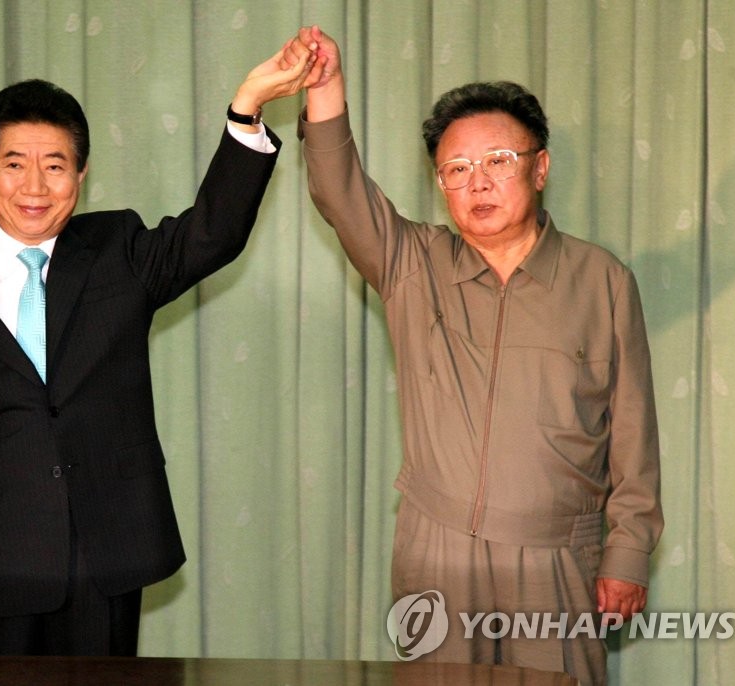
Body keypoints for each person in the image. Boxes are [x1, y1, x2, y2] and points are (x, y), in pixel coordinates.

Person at [0, 47, 317, 656]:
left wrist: (248, 107)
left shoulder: (118, 250)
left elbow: (213, 232)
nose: (35, 186)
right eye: (14, 164)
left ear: (80, 175)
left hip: (106, 552)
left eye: (55, 166)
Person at [281, 26, 662, 685]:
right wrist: (325, 86)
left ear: (540, 168)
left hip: (556, 556)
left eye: (497, 162)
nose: (477, 183)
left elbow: (633, 433)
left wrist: (627, 552)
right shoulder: (411, 262)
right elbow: (339, 191)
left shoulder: (602, 280)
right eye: (456, 170)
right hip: (438, 551)